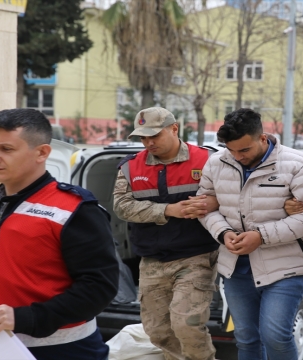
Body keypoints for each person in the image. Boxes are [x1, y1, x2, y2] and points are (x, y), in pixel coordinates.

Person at [0, 109, 119, 360]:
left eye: (6, 149)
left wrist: (26, 318)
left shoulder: (75, 209)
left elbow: (99, 288)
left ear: (42, 152)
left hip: (62, 350)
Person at [197, 108, 303, 360]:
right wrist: (223, 233)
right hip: (236, 267)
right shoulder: (216, 162)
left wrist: (261, 236)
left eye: (244, 150)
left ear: (263, 138)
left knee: (276, 337)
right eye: (231, 150)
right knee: (246, 339)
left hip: (287, 266)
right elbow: (205, 208)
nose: (237, 156)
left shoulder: (300, 165)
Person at [113, 107, 220, 360]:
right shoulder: (130, 167)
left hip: (196, 256)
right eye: (143, 138)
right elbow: (122, 207)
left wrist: (212, 203)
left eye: (155, 136)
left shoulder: (208, 160)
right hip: (152, 259)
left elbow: (235, 195)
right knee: (157, 331)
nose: (148, 143)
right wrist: (169, 210)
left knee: (187, 324)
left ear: (174, 129)